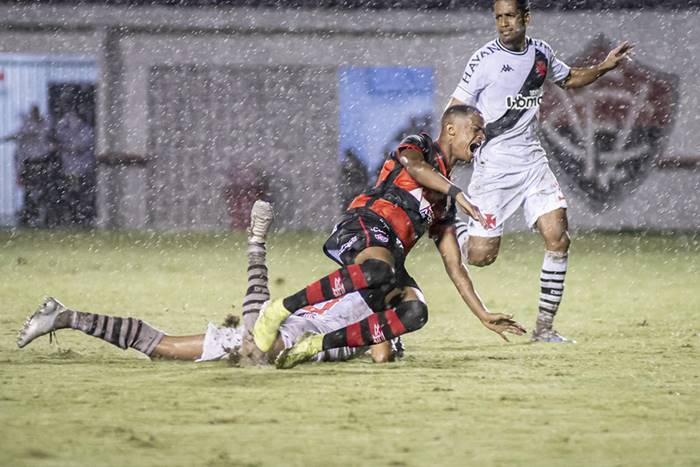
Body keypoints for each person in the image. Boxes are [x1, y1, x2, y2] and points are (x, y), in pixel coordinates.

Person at [254, 105, 527, 370]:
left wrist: (483, 314)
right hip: (364, 224)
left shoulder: (444, 204)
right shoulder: (420, 145)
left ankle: (314, 345)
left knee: (414, 312)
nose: (482, 137)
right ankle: (279, 309)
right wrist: (457, 192)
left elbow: (455, 266)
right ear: (451, 129)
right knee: (378, 270)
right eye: (477, 130)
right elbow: (413, 166)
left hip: (388, 254)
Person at [447, 0, 634, 342]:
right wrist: (452, 149)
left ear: (526, 18)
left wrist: (605, 66)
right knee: (480, 257)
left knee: (558, 237)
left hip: (533, 163)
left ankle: (544, 329)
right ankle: (452, 230)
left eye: (510, 16)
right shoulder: (484, 60)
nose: (503, 23)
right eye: (498, 17)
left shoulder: (541, 54)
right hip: (495, 168)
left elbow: (571, 78)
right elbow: (455, 107)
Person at [15, 201, 398, 365]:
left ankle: (65, 317)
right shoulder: (382, 304)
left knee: (160, 348)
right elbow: (380, 351)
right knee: (260, 346)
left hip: (288, 328)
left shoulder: (360, 285)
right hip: (293, 336)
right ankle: (255, 248)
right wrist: (388, 343)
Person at [1, 105, 61, 227]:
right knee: (30, 190)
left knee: (44, 189)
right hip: (31, 162)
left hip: (42, 161)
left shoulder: (44, 125)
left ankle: (43, 216)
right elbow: (16, 135)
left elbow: (48, 136)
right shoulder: (27, 127)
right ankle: (30, 215)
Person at [54, 110, 96, 227]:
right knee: (71, 193)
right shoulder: (64, 130)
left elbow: (79, 148)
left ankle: (83, 218)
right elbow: (56, 138)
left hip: (83, 168)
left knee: (82, 193)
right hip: (70, 168)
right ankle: (73, 217)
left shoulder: (86, 130)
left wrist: (64, 147)